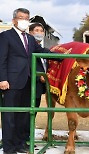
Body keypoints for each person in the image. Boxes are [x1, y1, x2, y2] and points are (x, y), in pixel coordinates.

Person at [0, 8, 56, 154]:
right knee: (10, 116)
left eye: (26, 18)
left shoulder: (30, 39)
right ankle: (9, 147)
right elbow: (1, 59)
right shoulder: (6, 36)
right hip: (11, 82)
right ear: (14, 20)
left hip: (28, 82)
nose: (24, 20)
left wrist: (60, 55)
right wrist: (3, 79)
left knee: (23, 115)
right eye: (21, 17)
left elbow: (42, 51)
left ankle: (20, 144)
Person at [29, 22, 46, 112]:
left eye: (41, 31)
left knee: (34, 111)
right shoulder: (28, 47)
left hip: (38, 88)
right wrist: (39, 77)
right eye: (36, 30)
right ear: (30, 33)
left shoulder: (41, 48)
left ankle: (30, 126)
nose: (39, 33)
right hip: (30, 86)